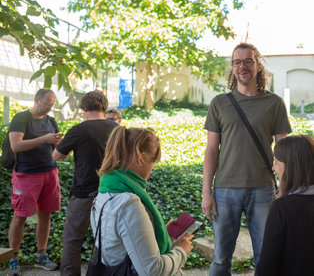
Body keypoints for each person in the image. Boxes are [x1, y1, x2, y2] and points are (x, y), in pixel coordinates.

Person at [201, 42, 292, 275]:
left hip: (263, 189)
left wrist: (285, 187)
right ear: (232, 68)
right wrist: (206, 192)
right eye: (237, 62)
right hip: (224, 190)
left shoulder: (274, 103)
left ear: (258, 65)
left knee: (266, 256)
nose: (243, 66)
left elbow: (283, 150)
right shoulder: (219, 103)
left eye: (248, 61)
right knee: (221, 259)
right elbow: (212, 150)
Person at [90, 126, 194, 275]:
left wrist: (160, 233)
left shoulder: (105, 192)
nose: (153, 169)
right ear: (140, 157)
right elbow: (152, 270)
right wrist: (181, 250)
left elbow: (121, 245)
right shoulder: (128, 203)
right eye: (153, 161)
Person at [52, 90, 118, 276]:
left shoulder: (78, 130)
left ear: (84, 107)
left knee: (73, 239)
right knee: (106, 238)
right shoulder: (118, 129)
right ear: (103, 107)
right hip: (112, 192)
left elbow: (57, 156)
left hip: (83, 193)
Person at [8, 88, 62, 276]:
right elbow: (16, 145)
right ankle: (13, 258)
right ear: (36, 99)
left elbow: (57, 151)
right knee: (20, 216)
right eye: (47, 103)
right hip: (26, 174)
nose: (49, 107)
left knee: (45, 215)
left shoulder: (51, 121)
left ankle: (41, 255)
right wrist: (44, 139)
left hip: (50, 171)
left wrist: (61, 144)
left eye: (52, 104)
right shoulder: (21, 118)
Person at [256, 135, 314, 276]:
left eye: (276, 162)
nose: (273, 168)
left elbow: (267, 266)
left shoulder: (282, 208)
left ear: (290, 166)